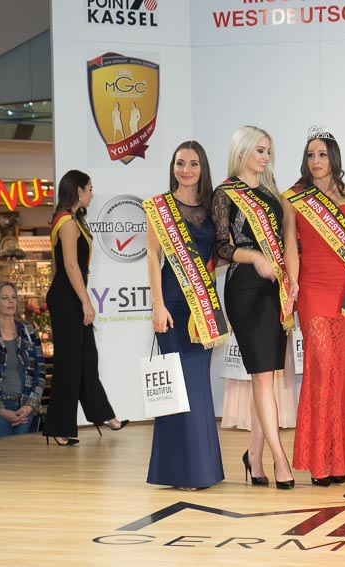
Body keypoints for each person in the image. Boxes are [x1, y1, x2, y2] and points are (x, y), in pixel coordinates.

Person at [283, 128, 345, 486]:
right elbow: (290, 245)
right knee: (321, 369)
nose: (316, 161)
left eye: (321, 154)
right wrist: (292, 285)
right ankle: (320, 462)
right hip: (313, 290)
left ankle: (340, 461)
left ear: (333, 158)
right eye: (310, 155)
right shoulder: (294, 197)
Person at [213, 125, 295, 489]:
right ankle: (281, 460)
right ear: (242, 151)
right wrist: (255, 257)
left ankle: (255, 456)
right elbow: (221, 247)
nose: (265, 157)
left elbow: (284, 240)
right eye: (259, 150)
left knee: (267, 376)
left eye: (268, 151)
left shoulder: (271, 191)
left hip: (274, 288)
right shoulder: (225, 192)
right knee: (262, 375)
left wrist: (290, 283)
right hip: (245, 287)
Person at [143, 141, 226, 490]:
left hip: (202, 306)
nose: (186, 170)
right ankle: (183, 470)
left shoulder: (212, 208)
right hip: (173, 305)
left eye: (193, 163)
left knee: (198, 385)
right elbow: (152, 256)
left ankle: (203, 469)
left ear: (202, 168)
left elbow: (220, 253)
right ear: (173, 167)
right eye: (180, 163)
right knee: (178, 387)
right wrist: (157, 304)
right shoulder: (159, 207)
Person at [44, 170, 128, 446]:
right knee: (69, 363)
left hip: (70, 296)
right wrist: (85, 301)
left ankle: (103, 414)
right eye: (89, 189)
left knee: (87, 360)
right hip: (67, 297)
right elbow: (70, 265)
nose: (92, 193)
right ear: (78, 191)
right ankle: (59, 427)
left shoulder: (71, 220)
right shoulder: (67, 222)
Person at [0, 282, 45, 438]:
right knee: (4, 453)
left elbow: (40, 373)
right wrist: (1, 410)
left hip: (26, 407)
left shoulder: (29, 331)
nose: (11, 301)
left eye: (13, 297)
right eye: (5, 298)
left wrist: (30, 406)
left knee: (23, 453)